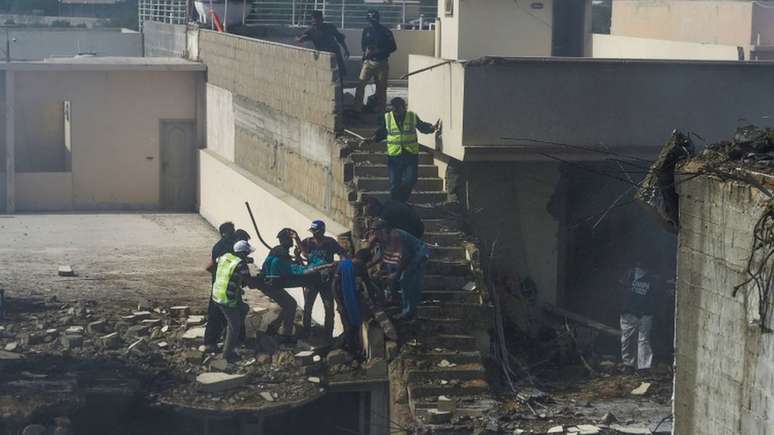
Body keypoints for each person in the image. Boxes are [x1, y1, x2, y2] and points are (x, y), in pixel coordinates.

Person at [372, 97, 439, 202]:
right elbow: (382, 132)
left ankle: (402, 200)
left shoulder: (412, 116)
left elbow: (421, 126)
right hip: (394, 155)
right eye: (393, 109)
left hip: (410, 154)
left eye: (398, 109)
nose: (396, 112)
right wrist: (372, 139)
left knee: (411, 179)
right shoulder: (387, 117)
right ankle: (396, 203)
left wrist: (431, 128)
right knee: (394, 183)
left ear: (404, 108)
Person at [332, 249, 397, 356]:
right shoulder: (343, 266)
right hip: (344, 301)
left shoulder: (360, 267)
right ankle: (350, 353)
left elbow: (368, 283)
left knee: (356, 326)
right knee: (348, 328)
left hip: (355, 300)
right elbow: (334, 286)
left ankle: (356, 351)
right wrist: (339, 303)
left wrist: (375, 299)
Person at [294, 220, 349, 340]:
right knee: (308, 307)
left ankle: (328, 334)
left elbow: (342, 253)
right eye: (313, 232)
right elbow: (298, 252)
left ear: (322, 231)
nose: (314, 234)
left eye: (317, 232)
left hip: (326, 280)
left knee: (329, 308)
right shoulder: (308, 242)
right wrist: (298, 257)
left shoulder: (330, 242)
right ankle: (306, 332)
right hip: (311, 279)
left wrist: (342, 266)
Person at [211, 240, 259, 362]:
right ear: (243, 253)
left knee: (243, 309)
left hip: (217, 293)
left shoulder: (224, 257)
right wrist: (262, 279)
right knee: (235, 326)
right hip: (227, 299)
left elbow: (214, 265)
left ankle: (226, 338)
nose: (248, 256)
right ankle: (227, 355)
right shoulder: (241, 264)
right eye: (247, 253)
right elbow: (250, 283)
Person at [372, 219, 429, 320]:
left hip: (417, 255)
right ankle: (394, 298)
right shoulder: (381, 238)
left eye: (375, 231)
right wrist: (368, 265)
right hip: (405, 257)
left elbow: (405, 257)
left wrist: (396, 274)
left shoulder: (395, 236)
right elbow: (381, 255)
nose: (374, 234)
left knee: (406, 280)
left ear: (383, 230)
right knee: (389, 271)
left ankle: (408, 312)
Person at [353, 9, 396, 113]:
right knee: (360, 85)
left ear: (378, 19)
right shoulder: (366, 30)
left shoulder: (385, 31)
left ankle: (381, 113)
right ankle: (357, 110)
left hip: (382, 63)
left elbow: (393, 47)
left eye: (374, 19)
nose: (373, 21)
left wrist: (378, 51)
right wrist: (367, 50)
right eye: (371, 19)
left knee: (381, 90)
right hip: (368, 62)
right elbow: (363, 45)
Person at [619, 260, 659, 374]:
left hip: (645, 314)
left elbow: (654, 297)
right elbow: (621, 292)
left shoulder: (653, 279)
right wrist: (624, 308)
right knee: (627, 339)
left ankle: (643, 368)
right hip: (629, 312)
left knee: (643, 340)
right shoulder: (628, 274)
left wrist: (647, 311)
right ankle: (628, 365)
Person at [297, 10, 350, 90]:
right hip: (322, 56)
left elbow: (340, 38)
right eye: (314, 21)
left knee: (339, 75)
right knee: (323, 76)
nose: (316, 23)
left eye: (318, 20)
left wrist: (346, 50)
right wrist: (301, 39)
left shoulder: (330, 27)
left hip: (335, 53)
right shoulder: (310, 30)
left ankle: (339, 93)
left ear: (322, 19)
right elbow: (298, 37)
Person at [204, 222, 236, 352]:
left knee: (220, 313)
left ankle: (216, 340)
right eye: (231, 231)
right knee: (219, 313)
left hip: (222, 284)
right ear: (224, 233)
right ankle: (216, 342)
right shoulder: (224, 247)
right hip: (223, 285)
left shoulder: (222, 246)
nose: (233, 232)